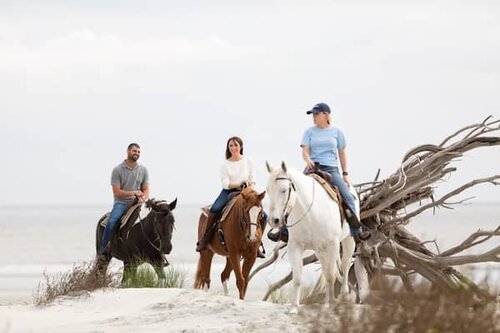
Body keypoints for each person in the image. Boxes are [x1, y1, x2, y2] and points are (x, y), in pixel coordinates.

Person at [268, 102, 369, 243]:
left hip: (331, 169)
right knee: (293, 193)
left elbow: (342, 153)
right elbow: (305, 151)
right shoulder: (309, 132)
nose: (314, 117)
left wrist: (345, 174)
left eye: (316, 114)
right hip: (312, 168)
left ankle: (356, 231)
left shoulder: (337, 132)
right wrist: (308, 160)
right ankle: (283, 231)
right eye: (313, 114)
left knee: (348, 196)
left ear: (326, 115)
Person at [196, 136, 266, 257]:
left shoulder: (248, 160)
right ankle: (205, 240)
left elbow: (252, 176)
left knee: (264, 215)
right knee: (215, 209)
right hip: (229, 191)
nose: (233, 148)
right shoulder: (225, 164)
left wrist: (252, 187)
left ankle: (257, 243)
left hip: (248, 191)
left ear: (241, 147)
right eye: (231, 146)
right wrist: (238, 184)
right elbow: (225, 183)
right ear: (228, 148)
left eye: (236, 145)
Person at [98, 143, 150, 257]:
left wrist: (143, 198)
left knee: (154, 220)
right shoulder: (117, 170)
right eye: (134, 151)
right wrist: (134, 193)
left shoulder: (143, 169)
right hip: (121, 203)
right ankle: (104, 249)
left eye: (138, 152)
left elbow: (146, 189)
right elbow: (117, 192)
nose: (137, 153)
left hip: (137, 203)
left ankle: (157, 252)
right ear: (128, 152)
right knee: (111, 222)